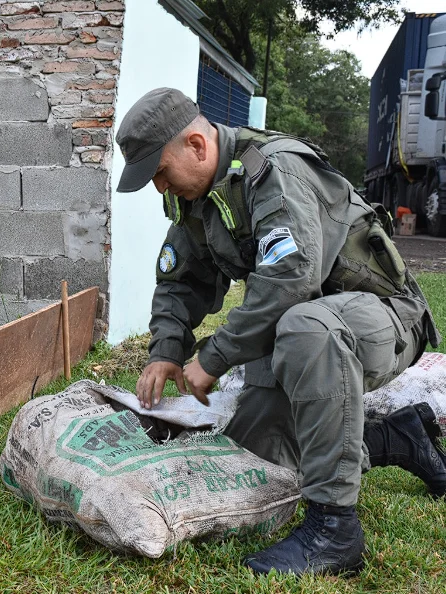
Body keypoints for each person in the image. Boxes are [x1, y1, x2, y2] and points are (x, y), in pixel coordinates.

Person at [115, 88, 444, 576]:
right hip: (306, 333)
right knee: (260, 459)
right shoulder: (202, 197)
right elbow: (180, 281)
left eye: (160, 172)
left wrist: (213, 359)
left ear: (197, 146)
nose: (160, 188)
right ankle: (398, 438)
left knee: (305, 326)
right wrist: (164, 351)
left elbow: (291, 280)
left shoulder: (273, 170)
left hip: (382, 317)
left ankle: (335, 529)